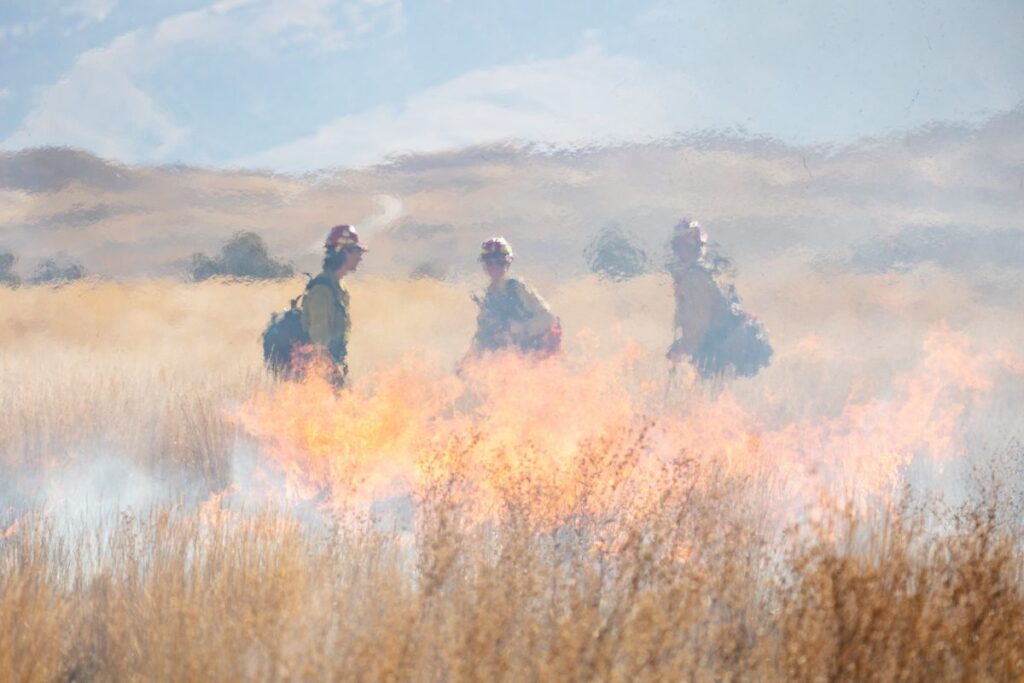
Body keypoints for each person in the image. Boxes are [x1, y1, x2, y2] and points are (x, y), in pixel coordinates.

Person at [666, 219, 772, 378]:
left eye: (681, 245)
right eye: (677, 245)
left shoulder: (694, 278)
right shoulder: (710, 270)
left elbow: (699, 325)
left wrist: (681, 347)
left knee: (709, 398)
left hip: (722, 351)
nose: (678, 251)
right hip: (732, 347)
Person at [467, 237, 561, 359]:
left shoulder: (518, 288)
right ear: (484, 266)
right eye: (489, 263)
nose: (494, 267)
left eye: (500, 262)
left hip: (537, 351)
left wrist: (523, 329)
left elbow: (548, 318)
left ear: (508, 263)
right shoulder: (487, 298)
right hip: (511, 356)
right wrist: (469, 359)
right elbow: (482, 336)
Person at [297, 224, 367, 386]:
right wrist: (335, 380)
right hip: (314, 374)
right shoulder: (322, 290)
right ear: (343, 253)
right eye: (356, 251)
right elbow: (319, 345)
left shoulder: (339, 286)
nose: (360, 257)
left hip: (330, 366)